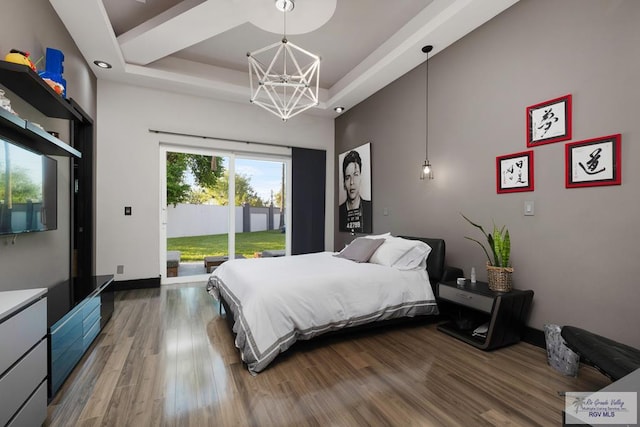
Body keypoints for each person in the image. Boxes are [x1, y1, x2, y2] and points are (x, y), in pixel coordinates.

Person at [339, 150, 372, 233]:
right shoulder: (339, 212)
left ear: (360, 178)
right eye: (348, 177)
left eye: (355, 175)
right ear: (344, 183)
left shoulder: (368, 208)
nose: (352, 182)